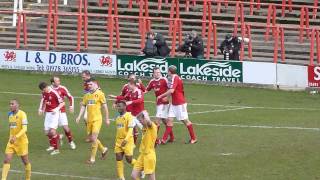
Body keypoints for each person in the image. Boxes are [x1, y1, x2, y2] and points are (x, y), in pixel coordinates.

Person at [157, 65, 197, 144]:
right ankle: (164, 140)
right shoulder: (173, 78)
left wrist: (161, 96)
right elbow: (171, 90)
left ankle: (194, 138)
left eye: (168, 71)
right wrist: (168, 98)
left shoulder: (175, 78)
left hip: (180, 103)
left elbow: (171, 90)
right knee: (169, 120)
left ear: (169, 72)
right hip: (174, 103)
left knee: (185, 121)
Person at [76, 78, 110, 164]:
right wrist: (79, 116)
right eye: (88, 85)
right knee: (92, 138)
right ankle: (103, 149)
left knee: (94, 138)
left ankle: (92, 159)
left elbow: (105, 107)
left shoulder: (100, 94)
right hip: (89, 120)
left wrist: (107, 118)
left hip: (97, 119)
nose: (89, 86)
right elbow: (83, 106)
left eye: (91, 84)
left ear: (95, 84)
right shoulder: (86, 95)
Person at [1, 99, 31, 180]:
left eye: (12, 104)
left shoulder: (23, 114)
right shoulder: (9, 114)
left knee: (25, 162)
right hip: (11, 142)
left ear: (17, 105)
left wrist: (16, 137)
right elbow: (12, 127)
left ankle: (28, 179)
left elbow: (25, 129)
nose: (10, 105)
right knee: (6, 160)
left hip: (21, 142)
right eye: (10, 104)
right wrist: (12, 137)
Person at [145, 67, 174, 145]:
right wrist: (139, 86)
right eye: (156, 72)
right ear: (153, 73)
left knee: (157, 121)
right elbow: (146, 90)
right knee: (165, 120)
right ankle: (171, 137)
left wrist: (168, 98)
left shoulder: (164, 79)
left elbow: (171, 89)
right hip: (158, 103)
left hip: (165, 103)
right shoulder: (152, 81)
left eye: (159, 72)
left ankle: (155, 139)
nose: (157, 74)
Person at [38, 82, 65, 155]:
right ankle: (58, 138)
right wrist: (40, 109)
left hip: (55, 114)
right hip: (48, 114)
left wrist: (56, 109)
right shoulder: (44, 93)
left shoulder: (54, 93)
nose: (44, 91)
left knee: (52, 131)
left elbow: (62, 103)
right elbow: (42, 101)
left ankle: (56, 150)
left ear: (46, 87)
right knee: (47, 132)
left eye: (44, 90)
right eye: (42, 90)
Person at [50, 76, 76, 150]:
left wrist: (71, 106)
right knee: (49, 130)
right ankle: (53, 145)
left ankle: (71, 142)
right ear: (53, 83)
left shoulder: (62, 88)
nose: (59, 82)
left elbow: (70, 97)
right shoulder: (49, 89)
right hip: (52, 113)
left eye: (59, 81)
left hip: (61, 111)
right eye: (57, 81)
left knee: (66, 128)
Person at [114, 101, 136, 180]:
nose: (118, 108)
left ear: (124, 107)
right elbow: (118, 130)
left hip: (128, 141)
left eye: (120, 106)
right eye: (117, 106)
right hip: (118, 141)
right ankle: (121, 177)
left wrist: (126, 140)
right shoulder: (117, 117)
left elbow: (130, 129)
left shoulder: (129, 116)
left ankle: (141, 167)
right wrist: (117, 141)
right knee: (118, 158)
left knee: (129, 160)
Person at [131, 110, 157, 180]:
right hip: (142, 155)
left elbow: (149, 122)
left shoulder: (152, 127)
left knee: (151, 177)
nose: (140, 122)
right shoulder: (144, 128)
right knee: (134, 175)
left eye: (140, 120)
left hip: (149, 155)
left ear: (145, 119)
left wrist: (146, 115)